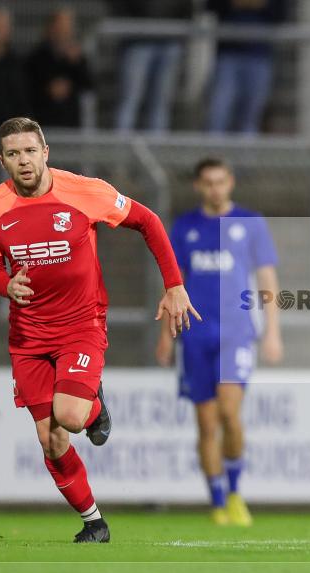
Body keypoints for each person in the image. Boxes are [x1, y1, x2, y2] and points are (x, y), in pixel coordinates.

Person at [0, 117, 200, 543]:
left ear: (45, 153)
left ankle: (93, 406)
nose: (23, 161)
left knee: (71, 417)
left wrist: (174, 285)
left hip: (81, 323)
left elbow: (148, 221)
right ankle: (94, 522)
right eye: (13, 154)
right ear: (1, 160)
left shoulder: (85, 191)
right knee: (51, 440)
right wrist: (5, 285)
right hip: (27, 337)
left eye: (29, 151)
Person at [156, 158, 283, 525]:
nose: (215, 188)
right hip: (195, 337)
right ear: (198, 186)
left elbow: (267, 280)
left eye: (220, 181)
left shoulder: (250, 223)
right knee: (206, 423)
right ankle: (216, 503)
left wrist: (273, 330)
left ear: (231, 182)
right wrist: (167, 336)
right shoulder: (184, 228)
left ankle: (235, 492)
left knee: (230, 413)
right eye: (208, 183)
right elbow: (173, 285)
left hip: (237, 334)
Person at [109, 0, 194, 132]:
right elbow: (118, 6)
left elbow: (187, 8)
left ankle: (157, 146)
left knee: (161, 102)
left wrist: (179, 31)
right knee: (130, 98)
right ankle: (120, 147)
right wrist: (131, 26)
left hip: (170, 41)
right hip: (137, 41)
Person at [206, 0, 287, 134]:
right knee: (219, 111)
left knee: (250, 116)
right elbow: (211, 6)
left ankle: (246, 154)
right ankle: (212, 152)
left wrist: (261, 4)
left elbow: (281, 13)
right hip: (228, 53)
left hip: (259, 54)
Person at [26, 8, 94, 128]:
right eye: (60, 26)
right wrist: (48, 89)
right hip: (42, 124)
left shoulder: (77, 58)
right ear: (50, 27)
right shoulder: (36, 58)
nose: (63, 31)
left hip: (70, 125)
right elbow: (28, 88)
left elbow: (89, 85)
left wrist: (76, 64)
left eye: (66, 27)